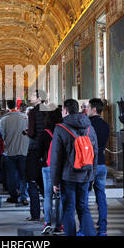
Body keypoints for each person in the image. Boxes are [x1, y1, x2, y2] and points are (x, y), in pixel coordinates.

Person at [50, 99, 99, 236]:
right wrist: (92, 175)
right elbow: (95, 152)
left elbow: (56, 157)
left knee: (69, 209)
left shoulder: (60, 128)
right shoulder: (89, 127)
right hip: (85, 174)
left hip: (68, 176)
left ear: (65, 110)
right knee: (84, 208)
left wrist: (54, 181)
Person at [38, 106, 64, 235]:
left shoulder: (44, 133)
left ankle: (47, 222)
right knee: (59, 197)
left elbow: (39, 152)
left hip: (47, 167)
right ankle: (59, 224)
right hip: (61, 167)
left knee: (47, 196)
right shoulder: (64, 130)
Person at [0, 99, 29, 205]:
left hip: (9, 151)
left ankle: (14, 196)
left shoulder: (4, 120)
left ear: (7, 106)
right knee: (23, 175)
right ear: (16, 106)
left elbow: (1, 136)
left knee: (11, 176)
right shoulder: (25, 117)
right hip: (23, 150)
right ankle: (24, 196)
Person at [86, 98, 110, 236]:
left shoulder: (88, 124)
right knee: (101, 196)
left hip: (89, 164)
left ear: (94, 109)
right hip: (101, 163)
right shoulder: (106, 125)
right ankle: (103, 228)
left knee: (83, 198)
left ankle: (85, 228)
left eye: (88, 107)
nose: (87, 109)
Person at [25, 90, 47, 221]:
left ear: (39, 98)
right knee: (45, 183)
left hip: (34, 149)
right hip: (47, 150)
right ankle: (48, 211)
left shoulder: (33, 112)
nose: (30, 97)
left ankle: (35, 214)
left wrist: (27, 132)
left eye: (32, 95)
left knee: (32, 181)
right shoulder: (50, 110)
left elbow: (32, 132)